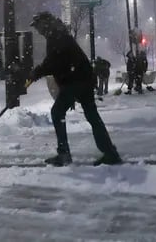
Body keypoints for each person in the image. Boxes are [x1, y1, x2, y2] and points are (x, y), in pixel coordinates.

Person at [29, 11, 122, 166]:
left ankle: (64, 154)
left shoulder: (56, 36)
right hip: (82, 78)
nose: (38, 31)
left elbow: (54, 63)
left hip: (77, 80)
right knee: (92, 116)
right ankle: (110, 152)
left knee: (57, 112)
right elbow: (61, 63)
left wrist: (36, 73)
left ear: (44, 24)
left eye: (38, 26)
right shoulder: (58, 33)